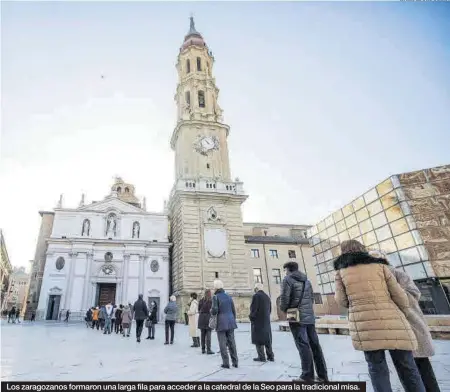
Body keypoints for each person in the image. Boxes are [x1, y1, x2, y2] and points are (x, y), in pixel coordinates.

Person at [334, 240, 425, 392]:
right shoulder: (381, 266)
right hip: (393, 322)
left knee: (377, 369)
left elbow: (341, 300)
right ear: (363, 250)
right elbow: (401, 297)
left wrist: (357, 304)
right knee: (407, 367)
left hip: (365, 326)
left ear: (343, 252)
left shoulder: (341, 272)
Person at [369, 250, 440, 392]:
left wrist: (395, 296)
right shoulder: (379, 277)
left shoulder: (395, 273)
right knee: (411, 367)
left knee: (419, 365)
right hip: (399, 327)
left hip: (410, 324)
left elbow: (414, 294)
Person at [280, 261, 328, 382]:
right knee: (315, 345)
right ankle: (322, 375)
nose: (285, 272)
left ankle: (307, 376)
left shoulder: (287, 279)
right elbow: (311, 298)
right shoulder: (307, 280)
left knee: (302, 345)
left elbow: (285, 299)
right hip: (309, 317)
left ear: (288, 270)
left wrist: (284, 309)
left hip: (295, 316)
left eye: (285, 270)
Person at [211, 279, 238, 369]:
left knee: (222, 343)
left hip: (221, 322)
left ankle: (226, 363)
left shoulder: (215, 297)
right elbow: (233, 310)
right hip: (230, 321)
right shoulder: (228, 296)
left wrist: (211, 310)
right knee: (232, 342)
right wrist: (233, 319)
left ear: (215, 287)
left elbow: (215, 311)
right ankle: (235, 362)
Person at [250, 283, 274, 362]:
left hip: (258, 322)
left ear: (256, 289)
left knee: (258, 340)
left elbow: (253, 309)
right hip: (266, 321)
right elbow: (270, 309)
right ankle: (270, 356)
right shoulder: (267, 297)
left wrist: (251, 318)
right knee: (267, 339)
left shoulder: (256, 296)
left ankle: (261, 357)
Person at [198, 289, 214, 354]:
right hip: (208, 318)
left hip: (201, 318)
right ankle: (209, 349)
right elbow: (213, 310)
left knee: (202, 334)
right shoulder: (211, 301)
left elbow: (199, 309)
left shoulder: (201, 300)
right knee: (208, 334)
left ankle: (203, 349)